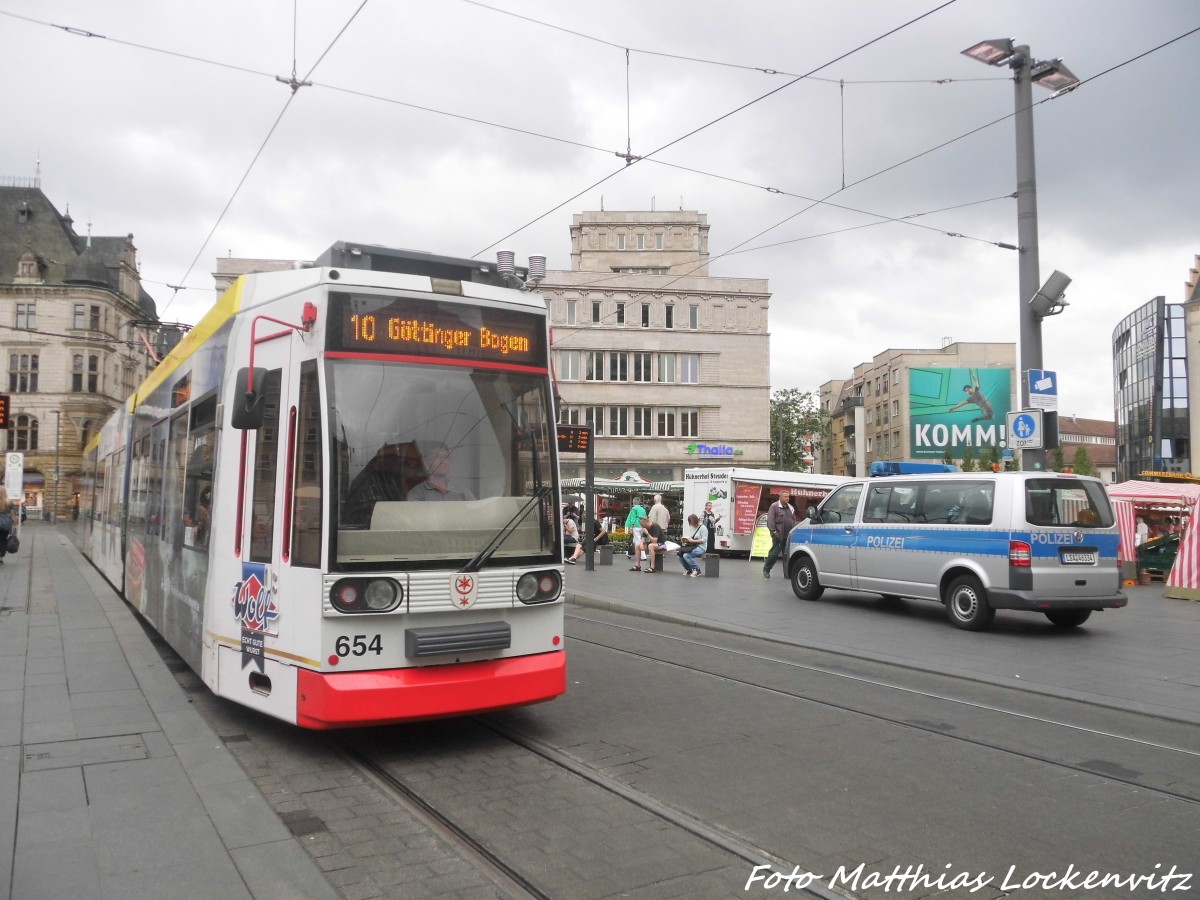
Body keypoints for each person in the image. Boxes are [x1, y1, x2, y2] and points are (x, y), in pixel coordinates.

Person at [408, 444, 475, 501]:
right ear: (427, 463)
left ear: (450, 462)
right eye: (437, 457)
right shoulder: (417, 493)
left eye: (446, 457)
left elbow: (477, 512)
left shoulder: (461, 491)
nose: (442, 461)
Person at [762, 489, 797, 579]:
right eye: (785, 496)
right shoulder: (774, 506)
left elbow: (793, 520)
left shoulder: (790, 507)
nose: (787, 498)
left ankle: (787, 574)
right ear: (780, 497)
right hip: (778, 536)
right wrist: (774, 533)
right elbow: (770, 521)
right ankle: (766, 570)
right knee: (773, 554)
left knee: (787, 556)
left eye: (788, 497)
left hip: (788, 536)